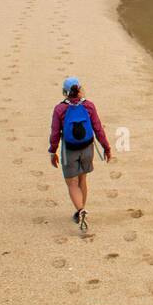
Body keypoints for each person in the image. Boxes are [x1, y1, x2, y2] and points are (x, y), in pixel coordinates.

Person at [48, 76, 113, 232]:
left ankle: (80, 210)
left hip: (69, 150)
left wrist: (52, 150)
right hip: (87, 149)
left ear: (65, 92)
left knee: (72, 184)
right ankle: (81, 210)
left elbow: (55, 133)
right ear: (80, 89)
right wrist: (107, 147)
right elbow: (98, 129)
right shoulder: (89, 106)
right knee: (82, 180)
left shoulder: (60, 109)